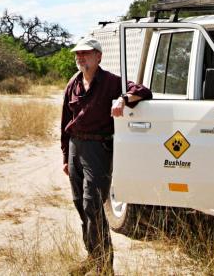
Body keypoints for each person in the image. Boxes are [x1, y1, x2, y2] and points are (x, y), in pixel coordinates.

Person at [60, 36, 152, 274]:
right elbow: (64, 122)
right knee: (80, 204)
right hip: (75, 146)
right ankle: (93, 256)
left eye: (86, 54)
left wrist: (123, 99)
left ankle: (104, 266)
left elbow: (142, 90)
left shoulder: (111, 82)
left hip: (97, 149)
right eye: (78, 54)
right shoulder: (74, 83)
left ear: (98, 56)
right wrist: (65, 157)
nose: (80, 58)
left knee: (93, 203)